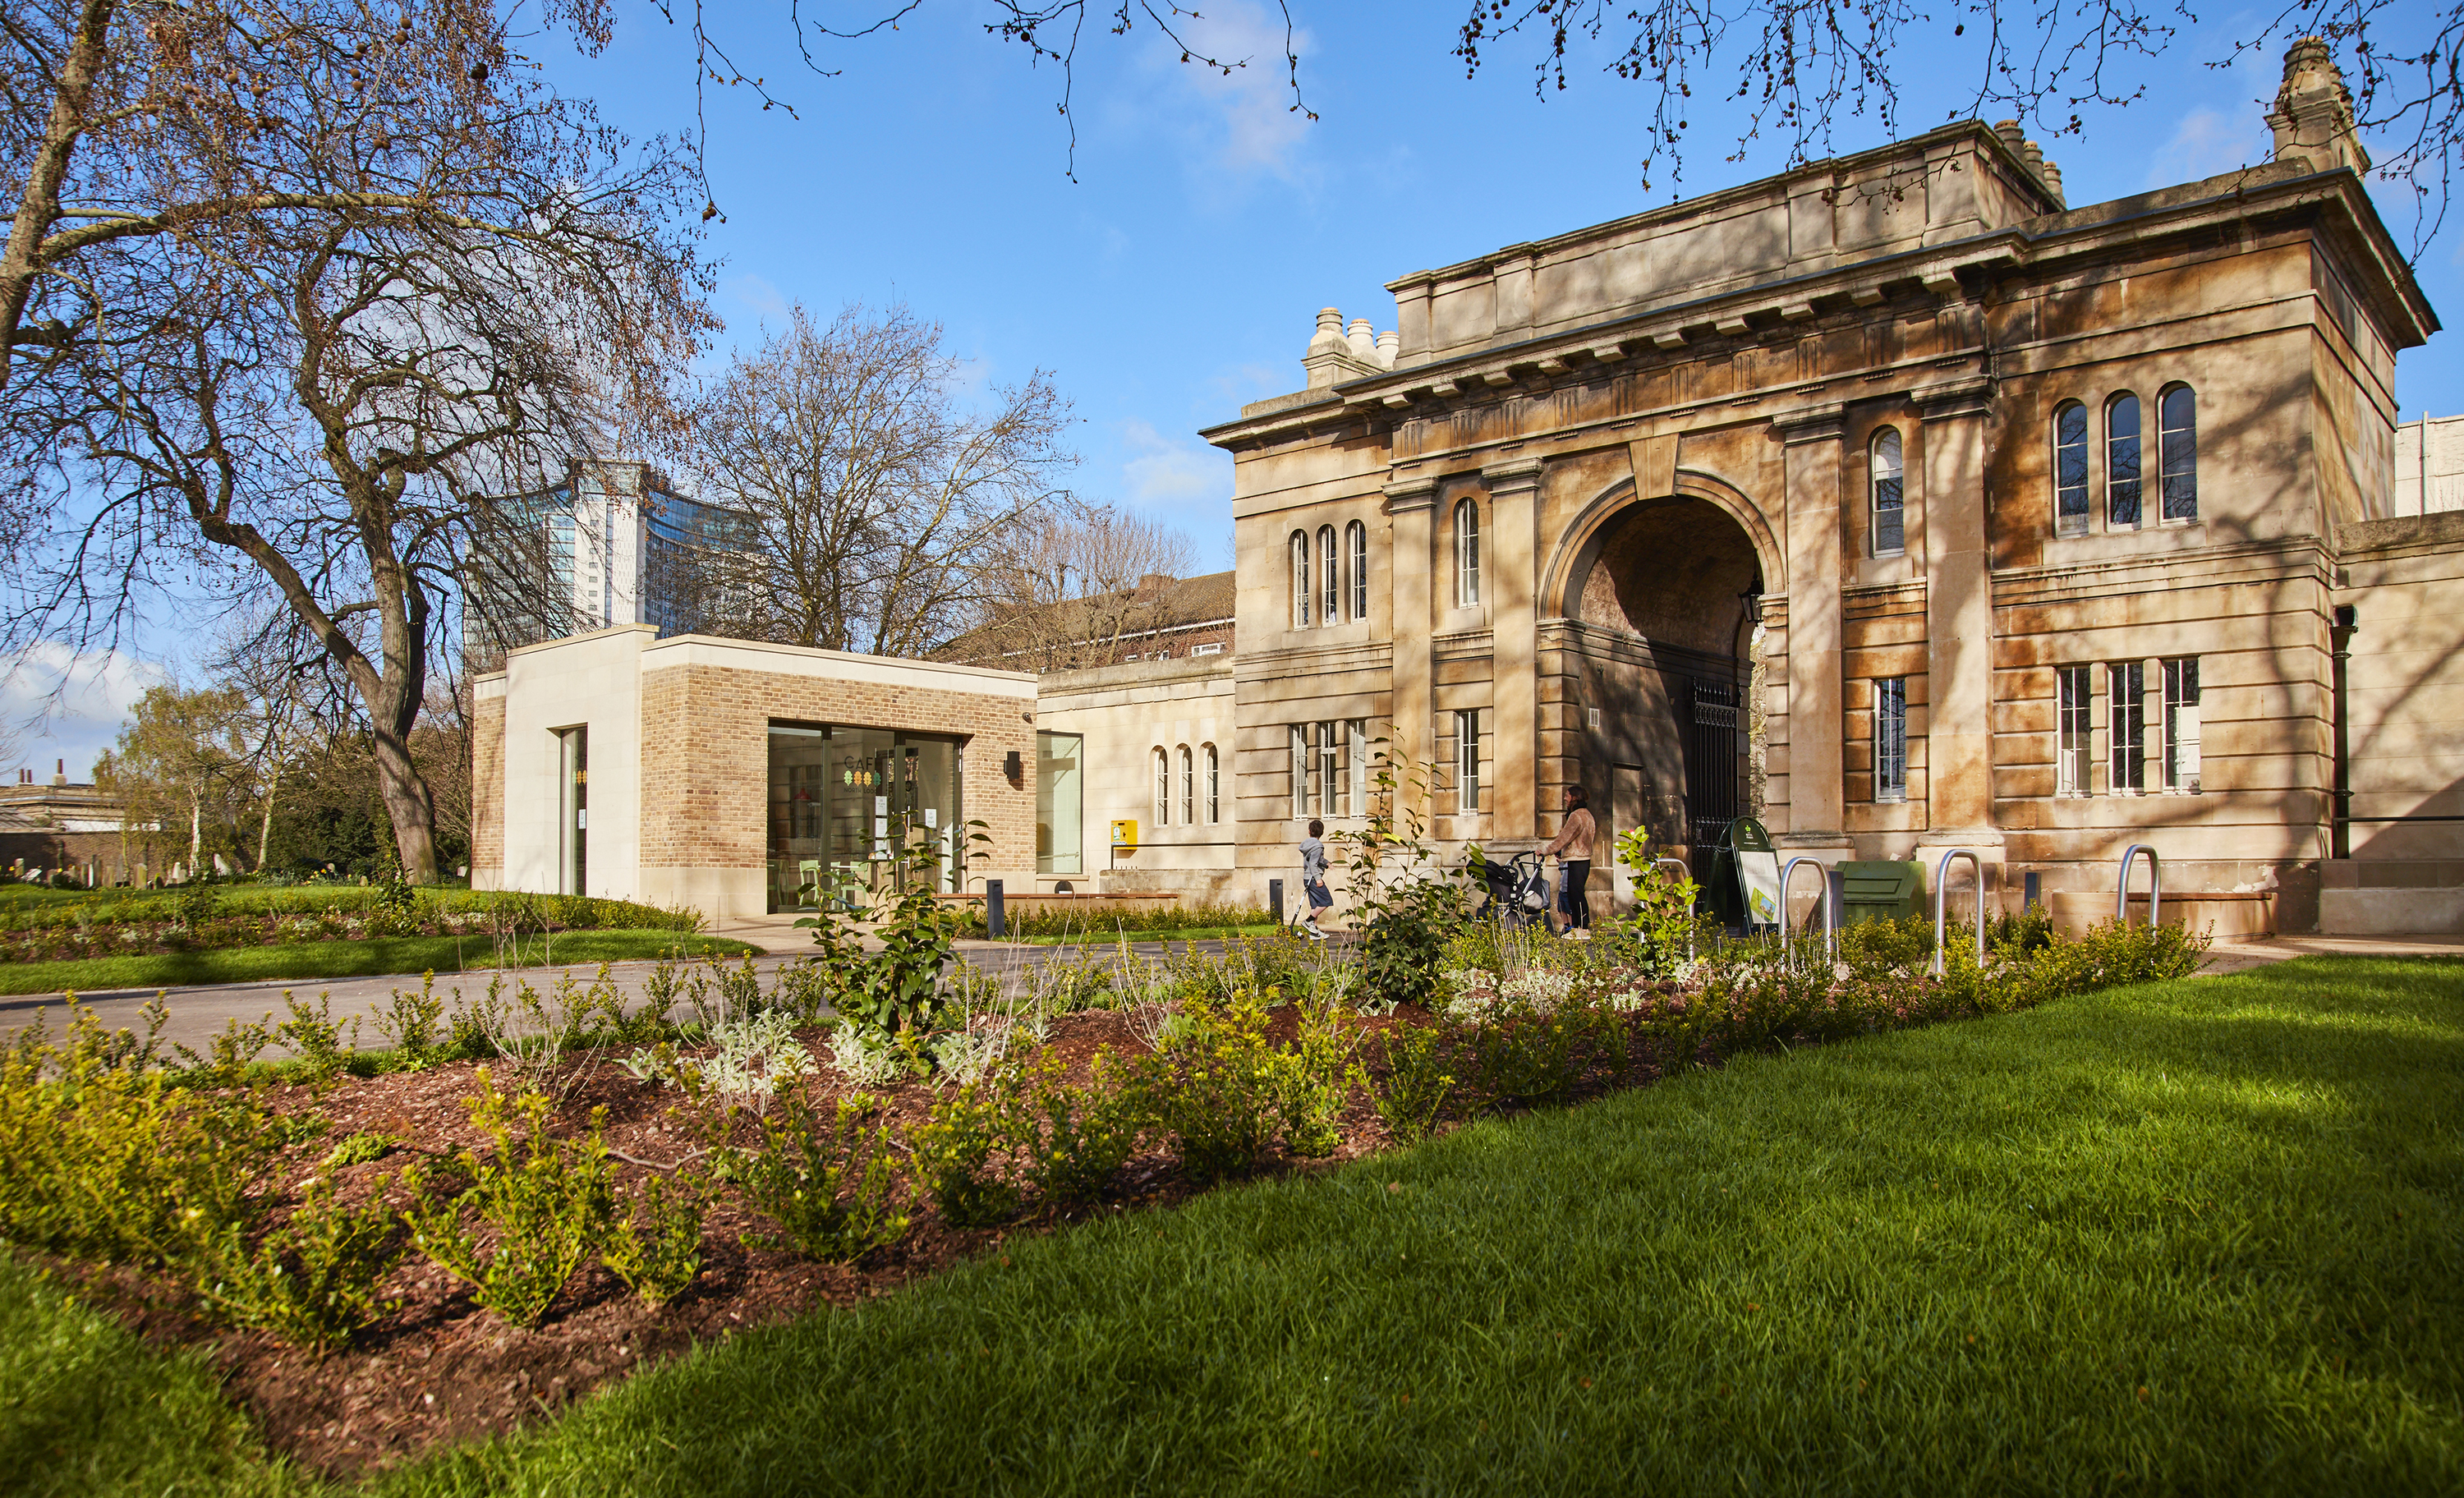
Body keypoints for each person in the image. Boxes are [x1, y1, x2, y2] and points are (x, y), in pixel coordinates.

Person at [1541, 783, 1597, 938]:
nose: (1565, 798)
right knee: (1576, 893)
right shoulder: (1587, 815)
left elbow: (1564, 837)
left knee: (1575, 894)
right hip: (1582, 858)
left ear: (1574, 797)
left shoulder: (1577, 815)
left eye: (1567, 795)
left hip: (1577, 859)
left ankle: (1581, 928)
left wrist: (1547, 851)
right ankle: (1580, 927)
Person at [1297, 818, 1333, 939]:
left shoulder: (1308, 845)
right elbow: (1313, 863)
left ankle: (1314, 932)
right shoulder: (1318, 846)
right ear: (1322, 832)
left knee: (1315, 904)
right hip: (1313, 877)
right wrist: (1318, 879)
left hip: (1307, 877)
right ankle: (1308, 921)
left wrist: (1327, 863)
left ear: (1309, 831)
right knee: (1326, 901)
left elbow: (1317, 860)